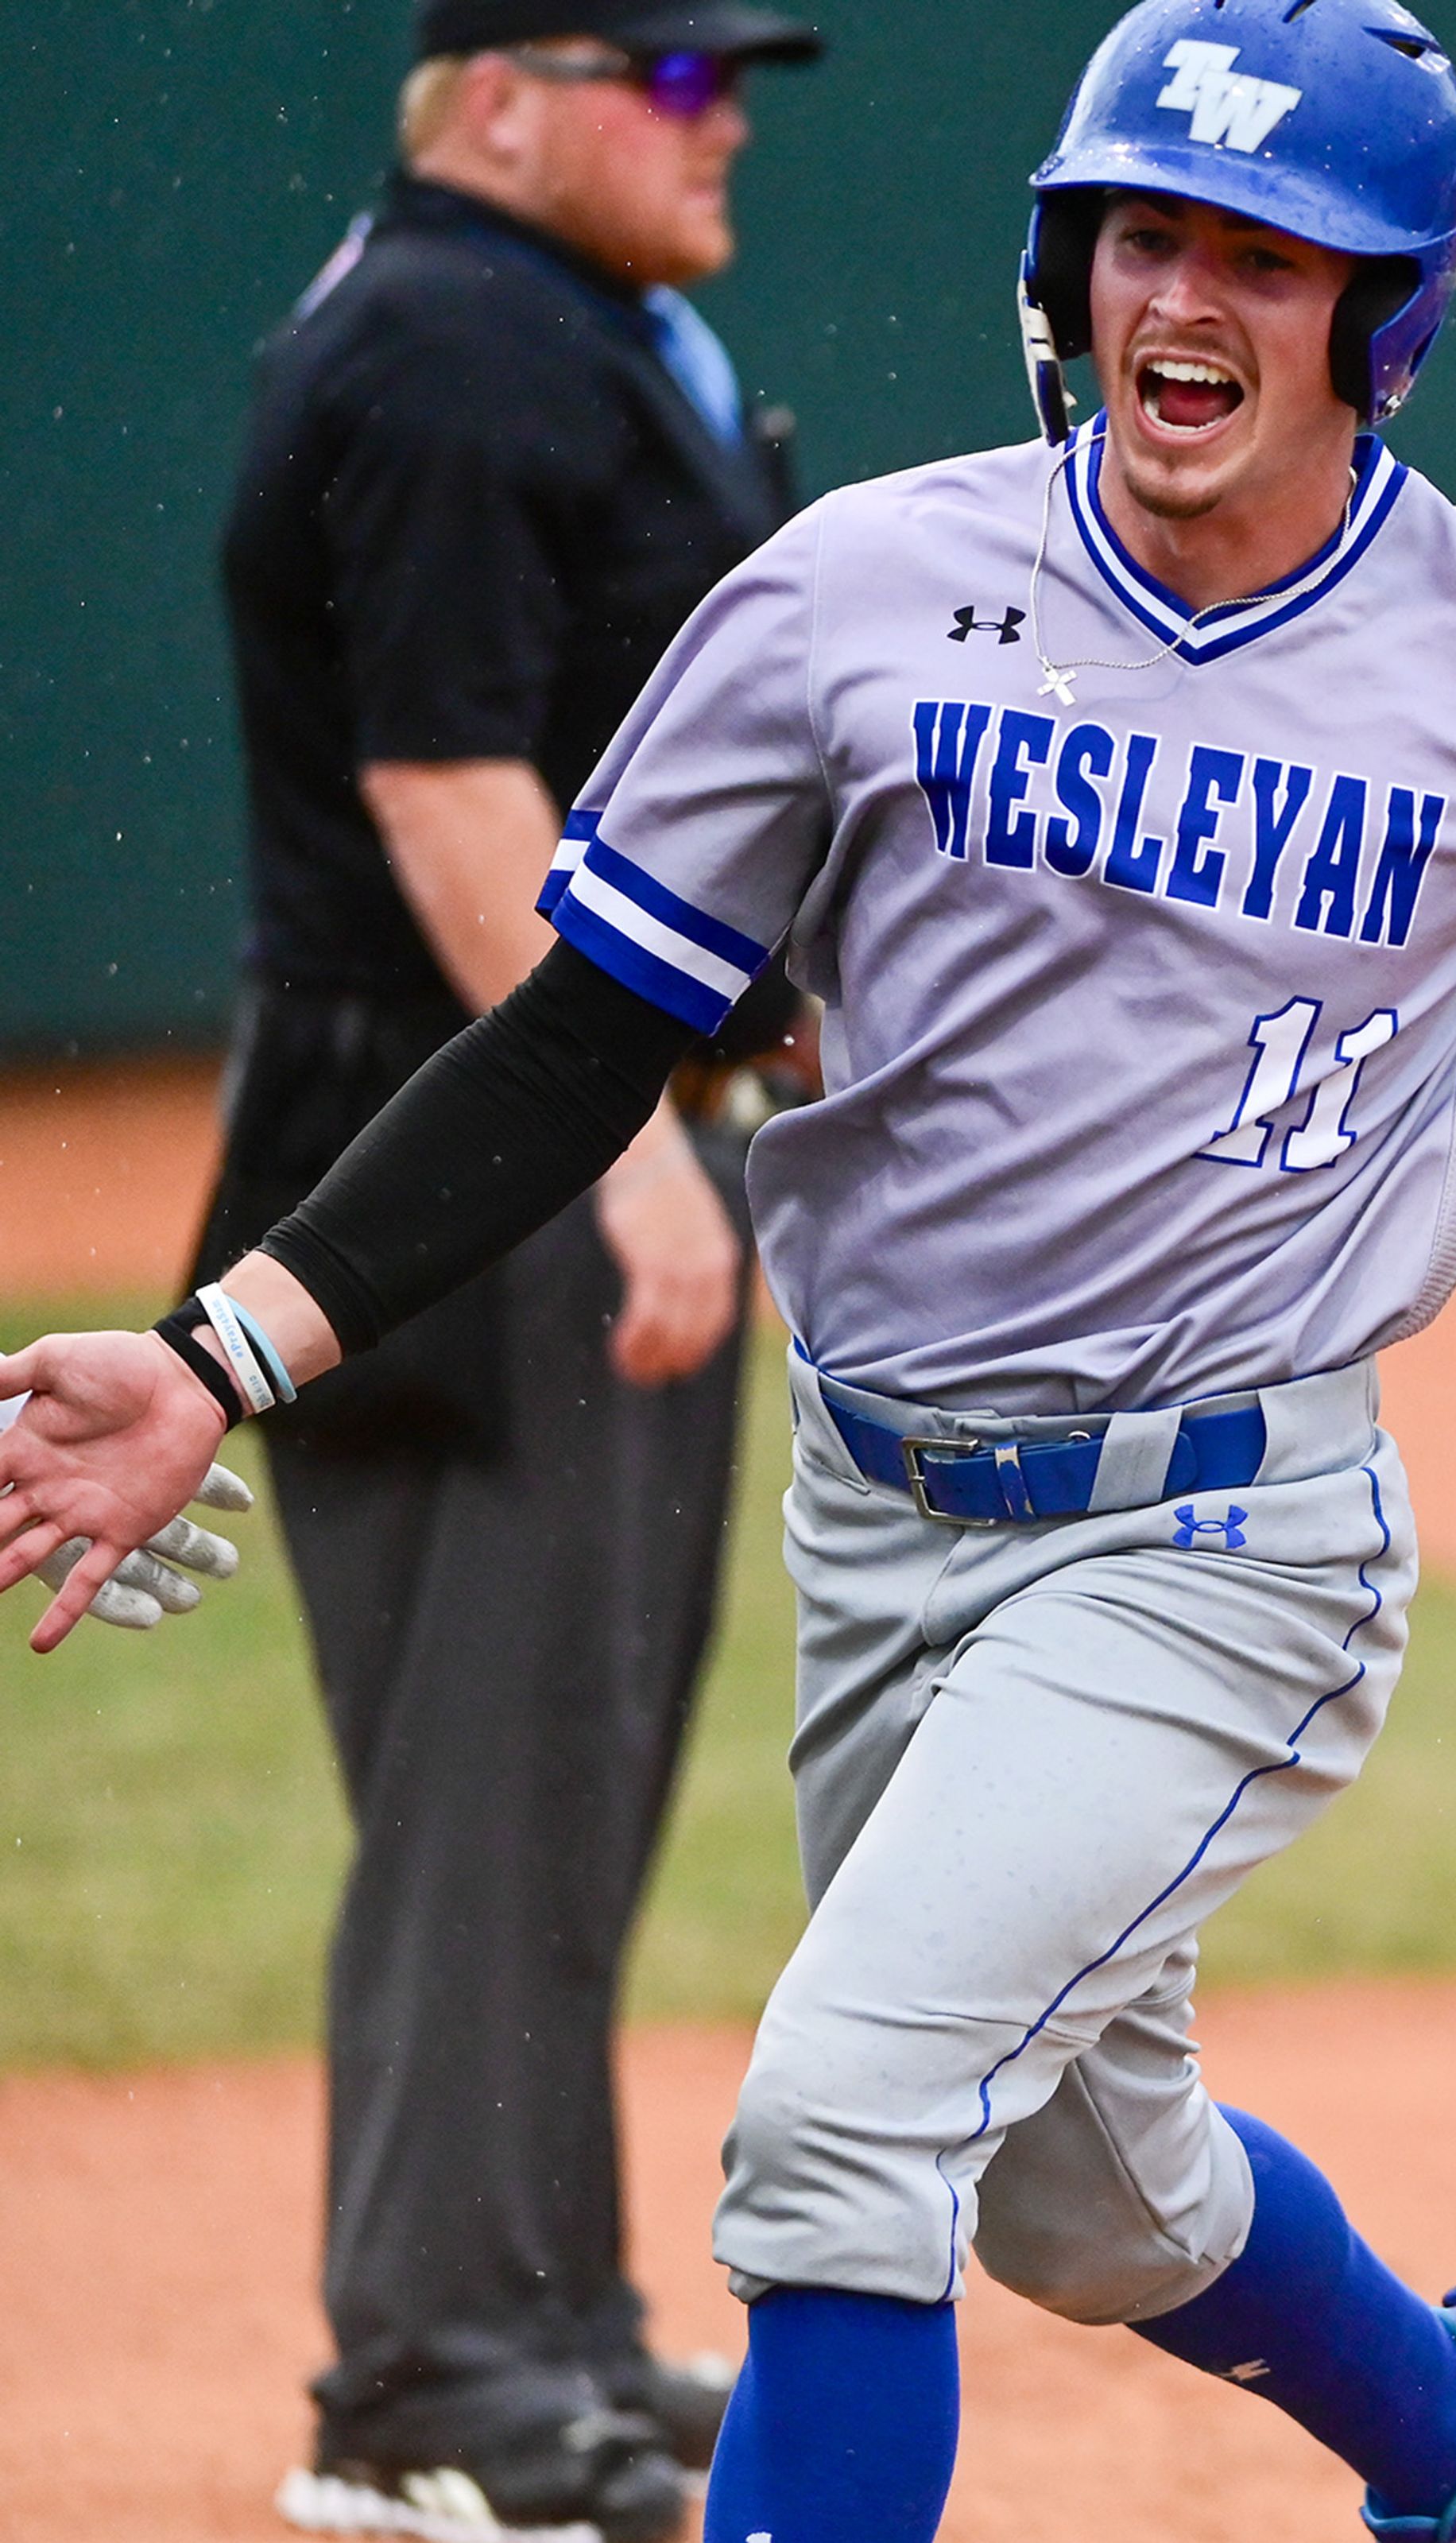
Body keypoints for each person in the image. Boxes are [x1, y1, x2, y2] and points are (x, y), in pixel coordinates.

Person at [0, 4, 1456, 2539]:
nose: (1192, 294)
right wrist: (218, 1357)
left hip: (1218, 1544)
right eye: (1149, 230)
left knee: (844, 2132)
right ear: (1069, 260)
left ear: (1390, 321)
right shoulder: (856, 595)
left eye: (1274, 255)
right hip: (886, 1521)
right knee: (1079, 2197)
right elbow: (580, 1033)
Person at [184, 4, 819, 2535]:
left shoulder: (521, 319)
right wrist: (628, 1153)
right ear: (503, 104)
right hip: (461, 1151)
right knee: (492, 1768)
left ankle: (545, 2315)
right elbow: (452, 784)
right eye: (672, 75)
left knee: (562, 1773)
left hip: (488, 1124)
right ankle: (437, 2381)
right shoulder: (450, 340)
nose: (729, 113)